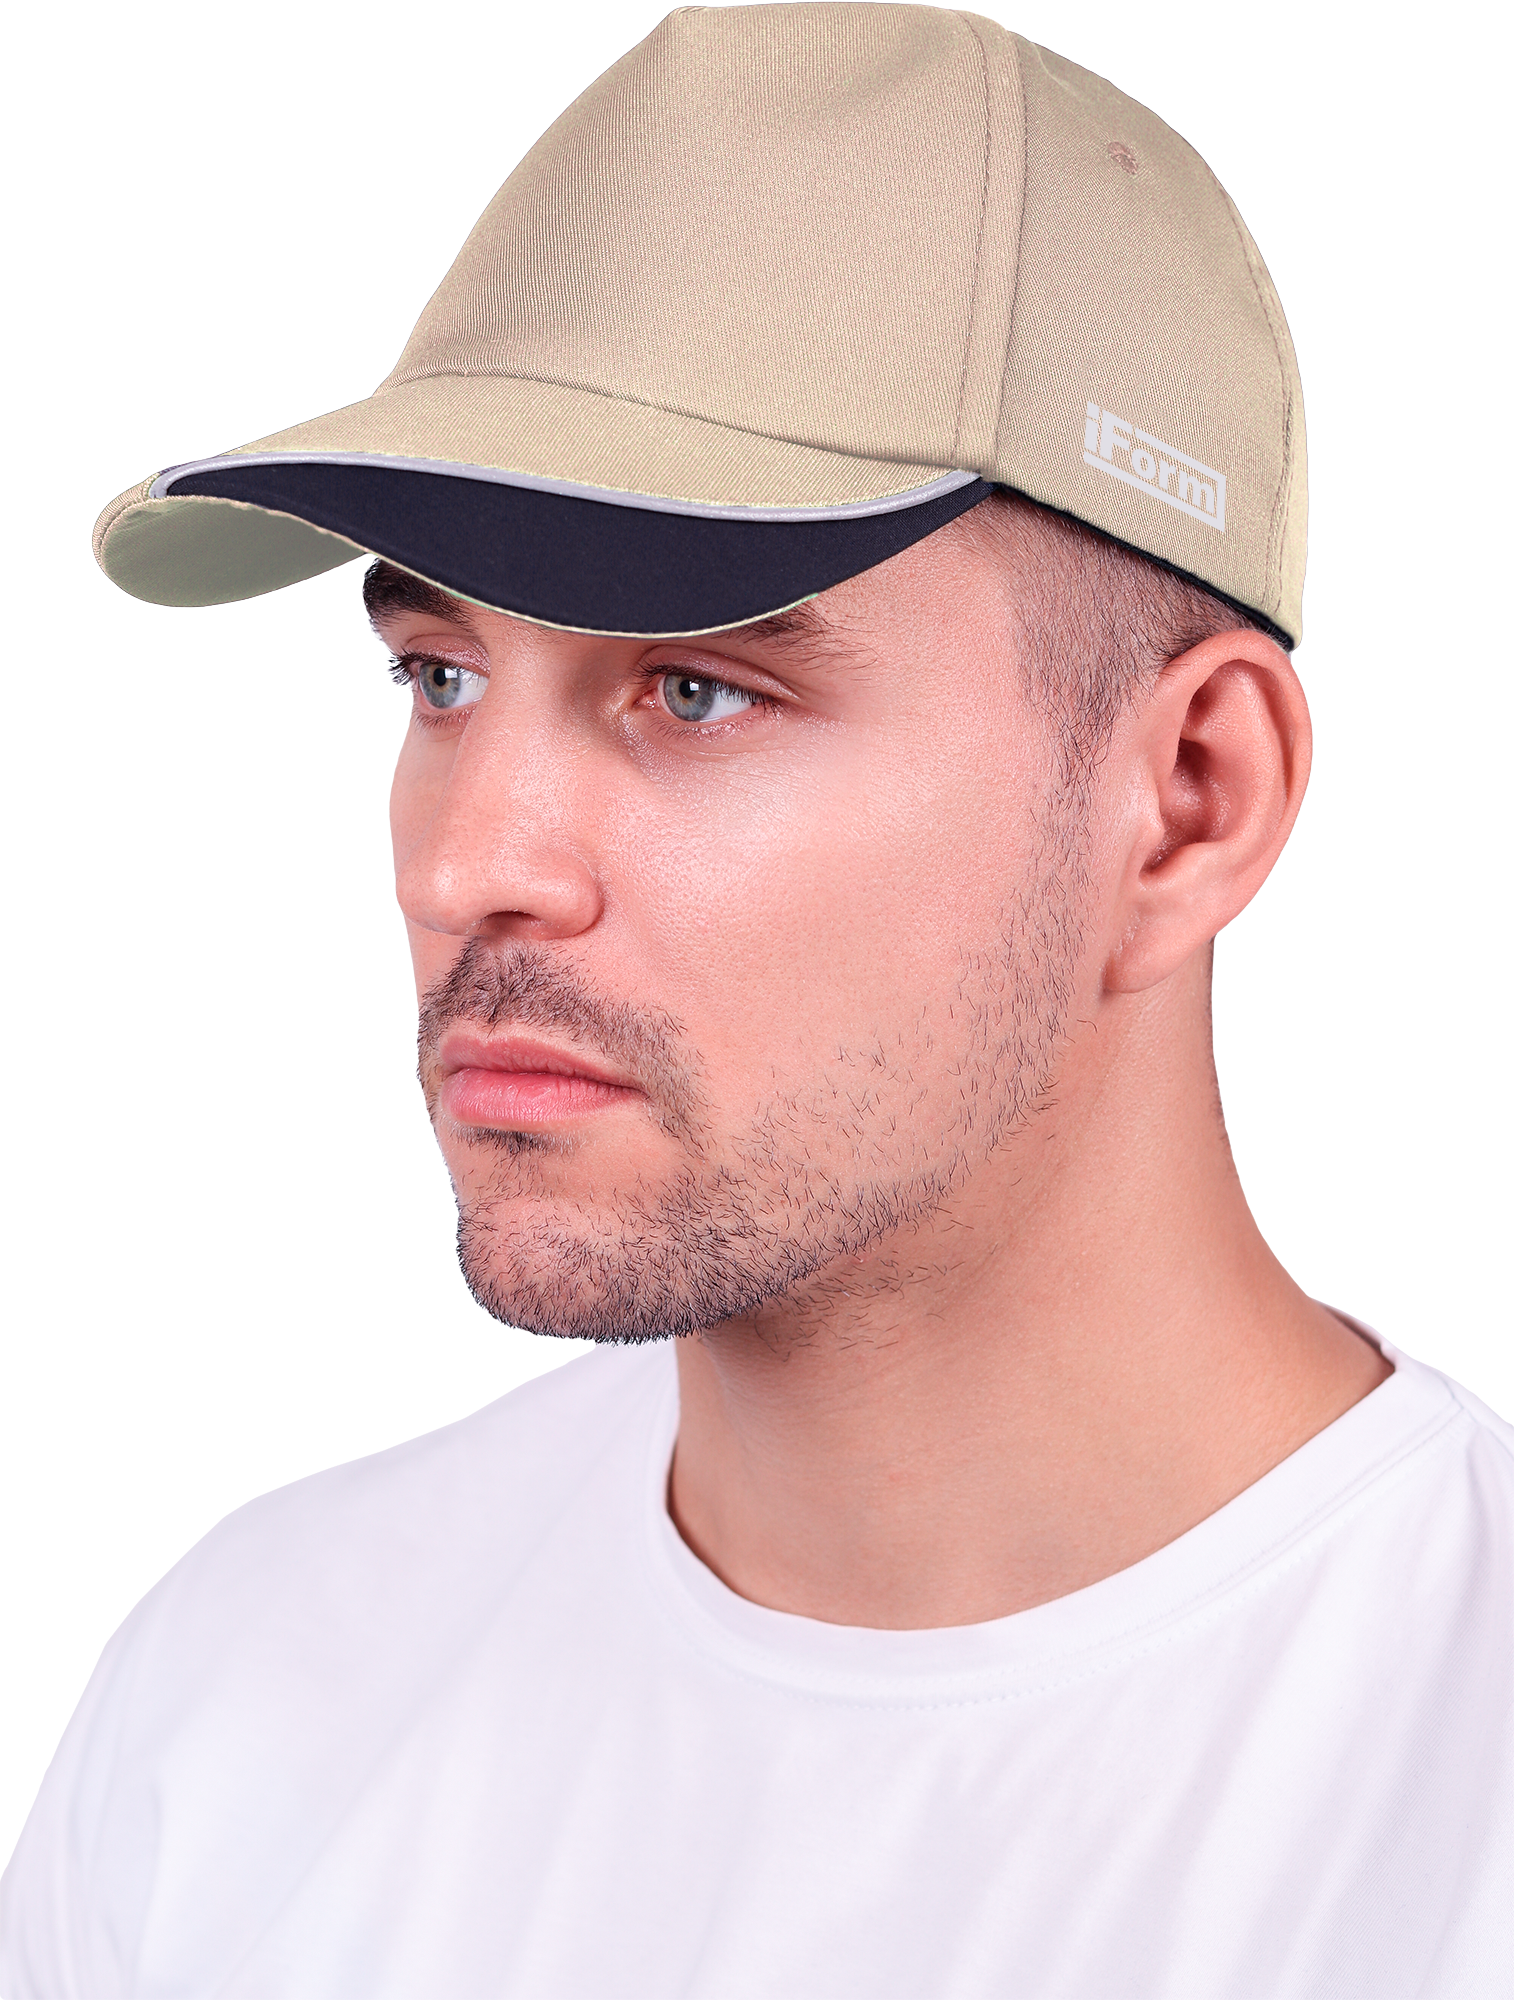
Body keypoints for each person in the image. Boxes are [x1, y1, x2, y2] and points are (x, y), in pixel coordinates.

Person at [5, 6, 1511, 1995]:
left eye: (696, 687)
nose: (468, 868)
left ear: (1185, 803)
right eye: (441, 677)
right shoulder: (234, 1731)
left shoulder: (1456, 1803)